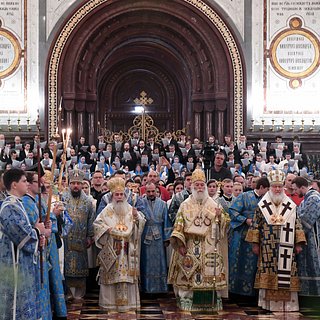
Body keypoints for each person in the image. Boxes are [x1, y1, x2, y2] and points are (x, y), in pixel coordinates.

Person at [168, 169, 229, 311]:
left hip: (209, 246)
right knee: (189, 273)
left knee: (210, 272)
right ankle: (187, 300)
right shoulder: (185, 204)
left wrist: (220, 217)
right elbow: (178, 225)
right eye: (197, 185)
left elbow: (225, 222)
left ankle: (211, 302)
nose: (200, 188)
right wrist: (180, 245)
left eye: (202, 185)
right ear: (192, 187)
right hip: (189, 246)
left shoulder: (214, 204)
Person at [246, 169, 306, 311]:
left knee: (287, 274)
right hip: (267, 247)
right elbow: (256, 224)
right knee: (269, 272)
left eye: (280, 186)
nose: (277, 189)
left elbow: (297, 223)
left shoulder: (290, 204)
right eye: (274, 186)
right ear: (270, 187)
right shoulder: (263, 205)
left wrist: (298, 242)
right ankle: (268, 304)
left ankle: (288, 306)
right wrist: (255, 243)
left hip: (287, 246)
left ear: (283, 186)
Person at [93, 177, 146, 312]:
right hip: (112, 248)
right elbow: (97, 224)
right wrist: (107, 230)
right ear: (112, 195)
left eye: (121, 194)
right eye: (116, 194)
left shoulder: (130, 209)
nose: (119, 197)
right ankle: (110, 304)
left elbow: (140, 224)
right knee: (112, 277)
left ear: (125, 195)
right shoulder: (107, 209)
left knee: (126, 278)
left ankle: (127, 305)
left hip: (128, 251)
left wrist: (136, 217)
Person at [0, 168, 46, 319]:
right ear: (14, 185)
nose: (27, 184)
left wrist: (39, 238)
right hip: (14, 264)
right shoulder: (9, 207)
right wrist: (38, 232)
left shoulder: (17, 204)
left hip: (23, 263)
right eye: (24, 181)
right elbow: (21, 236)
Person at [228, 177, 270, 298]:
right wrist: (245, 220)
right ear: (261, 187)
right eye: (266, 190)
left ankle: (253, 294)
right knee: (238, 261)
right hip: (242, 235)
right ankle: (236, 293)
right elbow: (233, 211)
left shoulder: (266, 199)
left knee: (254, 263)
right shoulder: (245, 196)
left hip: (258, 237)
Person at [63, 169, 95, 300]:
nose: (76, 186)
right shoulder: (63, 198)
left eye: (78, 183)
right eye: (73, 183)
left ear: (82, 185)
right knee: (66, 265)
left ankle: (79, 294)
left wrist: (90, 236)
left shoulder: (88, 201)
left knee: (81, 265)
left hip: (81, 239)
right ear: (69, 184)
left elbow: (91, 220)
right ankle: (67, 293)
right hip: (66, 239)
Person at [139, 182, 172, 293]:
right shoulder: (140, 203)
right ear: (145, 191)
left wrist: (166, 238)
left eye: (153, 191)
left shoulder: (162, 204)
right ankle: (146, 288)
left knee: (159, 262)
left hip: (158, 238)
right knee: (146, 262)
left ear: (157, 191)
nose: (151, 193)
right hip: (145, 236)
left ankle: (160, 288)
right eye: (148, 191)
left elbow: (166, 220)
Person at [292, 176, 320, 296]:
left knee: (313, 266)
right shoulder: (305, 199)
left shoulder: (314, 198)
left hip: (313, 238)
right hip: (305, 239)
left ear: (302, 187)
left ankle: (314, 296)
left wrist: (295, 228)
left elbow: (306, 220)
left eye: (295, 189)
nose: (294, 192)